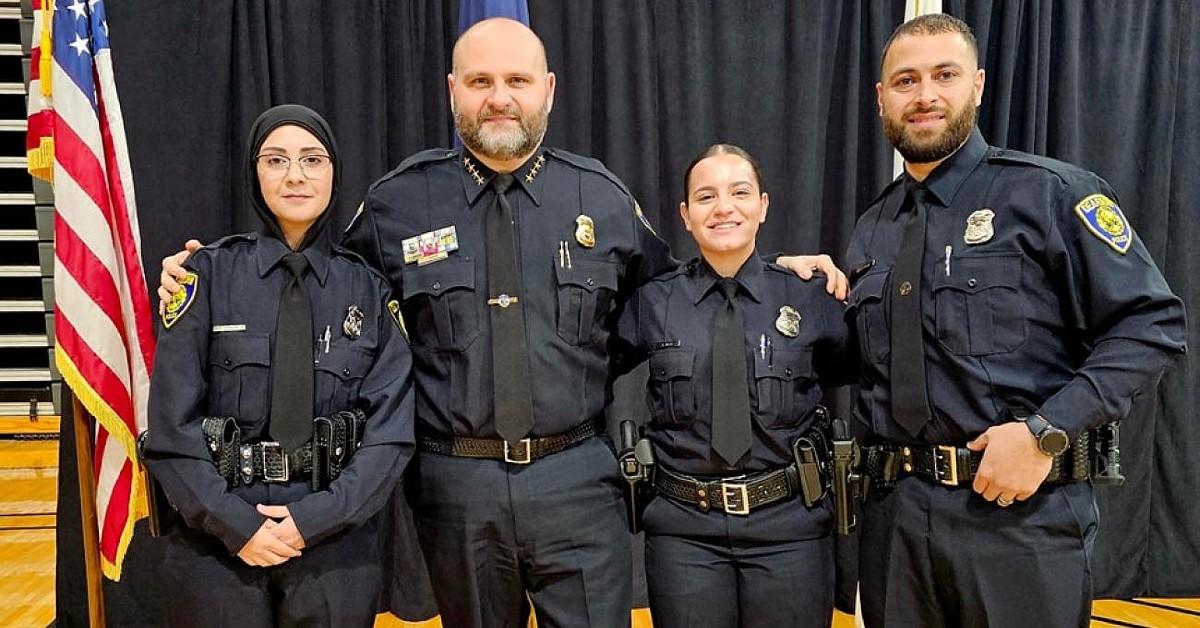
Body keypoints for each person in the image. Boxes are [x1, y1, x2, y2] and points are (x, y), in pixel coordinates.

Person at [157, 18, 845, 627]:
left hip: (577, 478)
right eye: (481, 80)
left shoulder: (599, 198)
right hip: (457, 487)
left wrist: (771, 268)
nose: (499, 96)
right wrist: (194, 277)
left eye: (516, 79)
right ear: (453, 89)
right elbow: (321, 280)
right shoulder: (398, 201)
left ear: (547, 88)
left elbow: (682, 293)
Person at [844, 14, 1187, 627]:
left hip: (1017, 519)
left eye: (943, 76)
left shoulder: (1050, 194)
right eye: (906, 81)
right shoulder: (873, 227)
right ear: (881, 98)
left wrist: (1045, 431)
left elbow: (1150, 324)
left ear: (977, 84)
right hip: (894, 521)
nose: (925, 95)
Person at [143, 104, 415, 627]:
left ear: (334, 172)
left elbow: (391, 435)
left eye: (312, 159)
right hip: (218, 536)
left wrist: (312, 520)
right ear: (254, 172)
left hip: (335, 537)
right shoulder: (204, 278)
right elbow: (171, 431)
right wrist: (233, 525)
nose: (295, 175)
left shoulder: (370, 291)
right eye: (276, 160)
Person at [613, 144, 854, 628]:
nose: (723, 207)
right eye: (706, 197)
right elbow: (584, 371)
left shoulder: (809, 296)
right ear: (685, 215)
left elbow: (859, 373)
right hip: (684, 535)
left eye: (739, 192)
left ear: (763, 206)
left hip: (790, 530)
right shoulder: (652, 303)